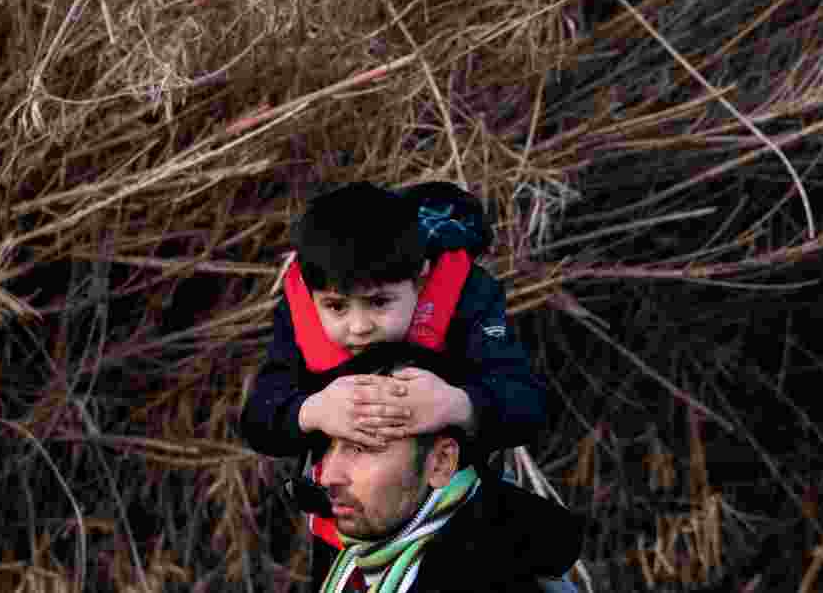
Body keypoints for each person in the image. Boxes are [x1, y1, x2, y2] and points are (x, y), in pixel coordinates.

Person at [240, 181, 550, 584]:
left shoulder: (470, 296)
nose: (358, 327)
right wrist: (313, 410)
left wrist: (458, 404)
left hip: (459, 533)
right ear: (314, 292)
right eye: (336, 306)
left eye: (379, 302)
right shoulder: (299, 313)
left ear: (420, 279)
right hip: (346, 540)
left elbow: (529, 406)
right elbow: (258, 419)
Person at [311, 341, 585, 593]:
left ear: (441, 463)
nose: (328, 477)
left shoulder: (487, 575)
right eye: (328, 447)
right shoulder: (365, 556)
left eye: (361, 448)